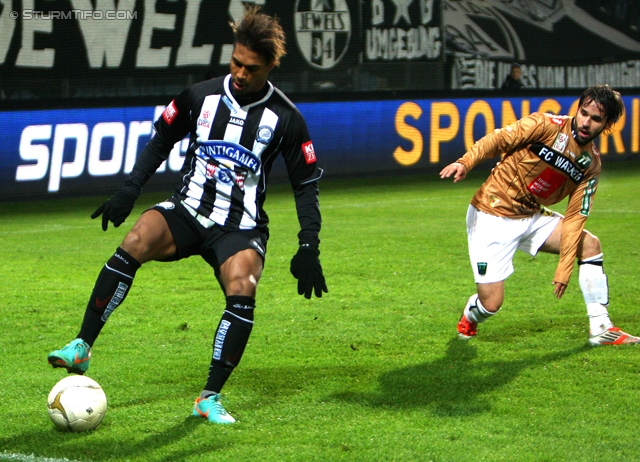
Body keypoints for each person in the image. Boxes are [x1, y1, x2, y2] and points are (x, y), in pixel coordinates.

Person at [47, 5, 328, 424]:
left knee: (243, 286)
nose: (240, 73)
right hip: (187, 209)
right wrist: (129, 190)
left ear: (269, 66)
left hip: (240, 226)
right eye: (236, 62)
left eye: (251, 67)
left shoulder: (286, 119)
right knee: (136, 238)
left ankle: (208, 398)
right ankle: (82, 345)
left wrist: (309, 245)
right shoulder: (199, 96)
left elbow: (305, 185)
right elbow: (160, 140)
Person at [440, 84, 640, 346]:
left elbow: (576, 216)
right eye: (583, 113)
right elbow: (497, 139)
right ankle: (471, 314)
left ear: (607, 125)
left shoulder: (590, 164)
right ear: (577, 109)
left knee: (589, 244)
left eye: (596, 119)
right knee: (491, 304)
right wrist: (465, 162)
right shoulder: (545, 125)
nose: (586, 122)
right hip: (492, 213)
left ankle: (601, 328)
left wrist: (564, 267)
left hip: (531, 216)